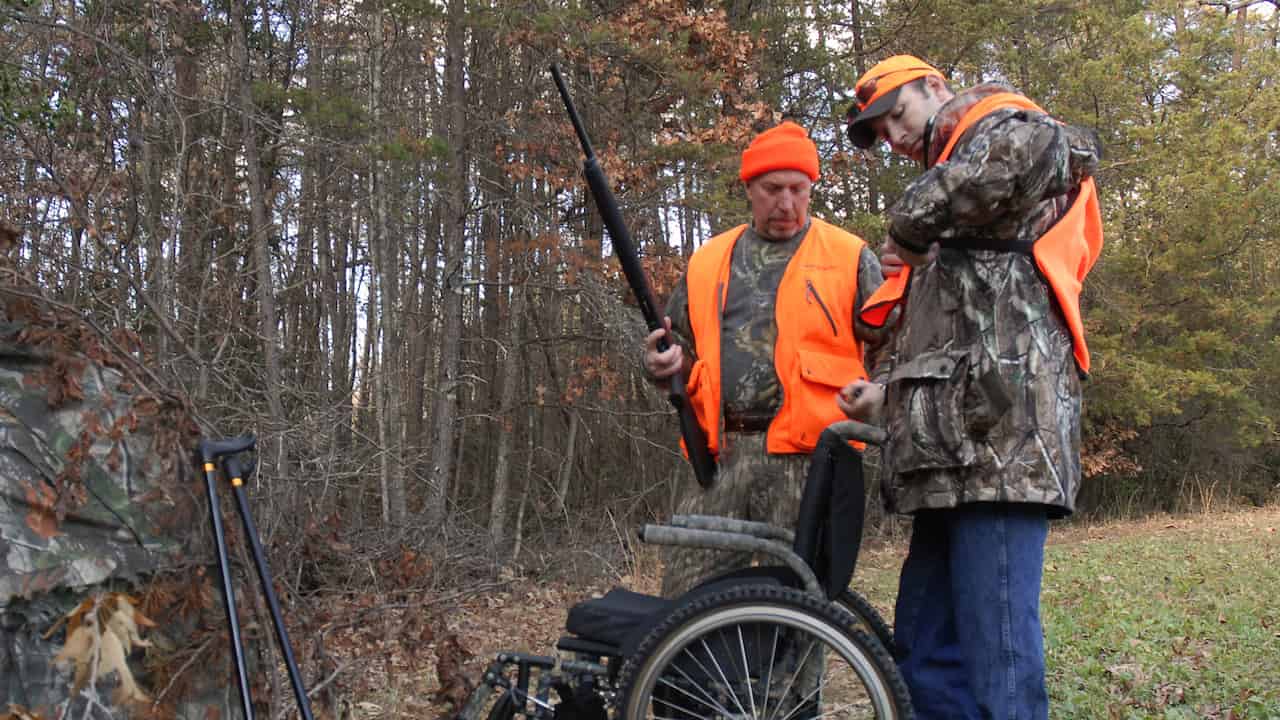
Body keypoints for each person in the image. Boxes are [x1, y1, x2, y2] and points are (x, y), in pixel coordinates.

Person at [838, 55, 1104, 718]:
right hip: (944, 460)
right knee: (924, 655)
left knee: (1000, 661)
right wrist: (886, 394)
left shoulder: (1012, 128)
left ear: (935, 87)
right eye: (880, 132)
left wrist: (906, 222)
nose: (894, 137)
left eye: (896, 115)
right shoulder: (949, 216)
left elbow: (1038, 149)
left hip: (1004, 451)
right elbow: (946, 338)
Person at [642, 120, 890, 599]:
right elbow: (676, 348)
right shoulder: (709, 260)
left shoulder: (849, 256)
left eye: (799, 189)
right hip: (720, 455)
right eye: (773, 189)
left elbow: (891, 342)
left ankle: (792, 680)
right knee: (688, 599)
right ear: (749, 188)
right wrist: (659, 366)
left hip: (813, 458)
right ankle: (698, 677)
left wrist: (880, 398)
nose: (787, 203)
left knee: (807, 600)